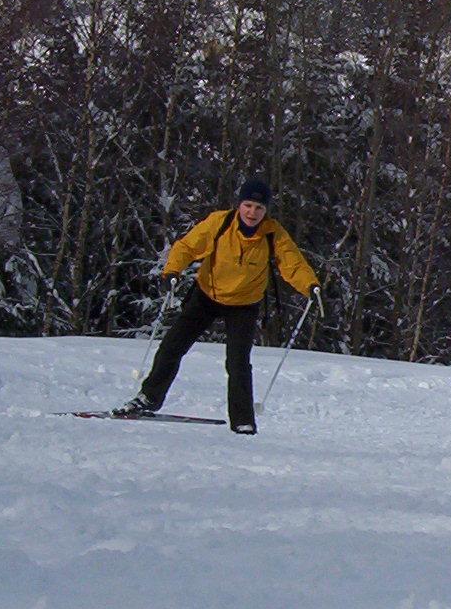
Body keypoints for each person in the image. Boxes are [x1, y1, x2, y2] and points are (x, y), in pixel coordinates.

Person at [117, 178, 320, 434]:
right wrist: (172, 272)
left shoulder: (273, 234)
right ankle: (147, 399)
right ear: (239, 205)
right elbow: (188, 247)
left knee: (237, 363)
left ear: (266, 211)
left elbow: (293, 264)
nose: (252, 213)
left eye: (259, 208)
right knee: (172, 346)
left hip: (244, 304)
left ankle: (243, 421)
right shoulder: (220, 223)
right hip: (206, 295)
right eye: (248, 206)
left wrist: (310, 286)